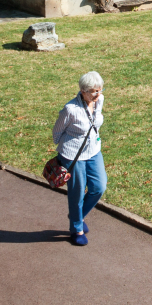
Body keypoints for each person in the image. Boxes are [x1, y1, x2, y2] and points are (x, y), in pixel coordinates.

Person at [53, 71, 106, 245]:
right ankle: (76, 228)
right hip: (73, 155)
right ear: (82, 91)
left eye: (100, 89)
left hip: (93, 151)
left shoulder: (99, 100)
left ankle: (78, 215)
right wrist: (68, 148)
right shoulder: (71, 109)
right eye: (93, 91)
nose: (97, 94)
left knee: (99, 187)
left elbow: (95, 122)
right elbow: (57, 133)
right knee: (76, 193)